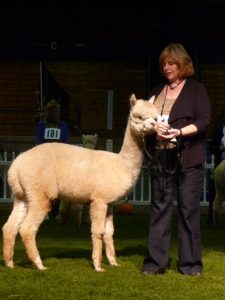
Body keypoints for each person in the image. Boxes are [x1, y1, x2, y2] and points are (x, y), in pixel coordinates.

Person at [142, 43, 211, 276]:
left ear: (182, 64)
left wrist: (178, 132)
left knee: (188, 210)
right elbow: (144, 121)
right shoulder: (156, 91)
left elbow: (203, 121)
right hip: (161, 158)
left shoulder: (196, 90)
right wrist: (153, 130)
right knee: (159, 209)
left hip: (188, 156)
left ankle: (190, 265)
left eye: (171, 63)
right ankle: (155, 264)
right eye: (164, 64)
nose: (166, 67)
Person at [36, 99, 70, 218]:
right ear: (47, 112)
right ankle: (46, 211)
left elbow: (65, 141)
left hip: (59, 159)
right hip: (45, 159)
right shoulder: (41, 125)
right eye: (51, 111)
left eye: (56, 111)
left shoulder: (64, 126)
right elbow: (39, 142)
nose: (54, 114)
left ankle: (56, 212)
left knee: (58, 187)